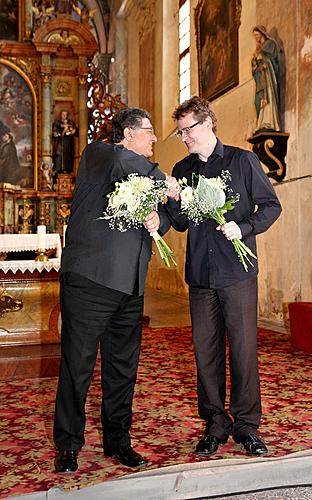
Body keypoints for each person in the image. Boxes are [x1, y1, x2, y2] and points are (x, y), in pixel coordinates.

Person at [53, 107, 179, 473]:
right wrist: (166, 181)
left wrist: (161, 218)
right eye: (149, 131)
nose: (155, 138)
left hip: (130, 284)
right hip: (91, 281)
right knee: (77, 366)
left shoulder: (137, 168)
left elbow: (165, 216)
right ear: (126, 134)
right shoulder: (100, 154)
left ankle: (118, 440)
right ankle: (68, 443)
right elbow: (130, 167)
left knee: (123, 368)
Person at [166, 96, 282, 457]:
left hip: (237, 272)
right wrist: (171, 200)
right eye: (180, 132)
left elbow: (271, 206)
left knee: (244, 351)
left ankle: (247, 427)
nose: (185, 138)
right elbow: (183, 223)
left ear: (208, 123)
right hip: (200, 275)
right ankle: (215, 424)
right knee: (206, 354)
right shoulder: (183, 169)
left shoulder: (242, 161)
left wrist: (243, 227)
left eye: (189, 130)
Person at [252, 25, 281, 133]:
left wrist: (262, 59)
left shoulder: (270, 44)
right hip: (261, 77)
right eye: (255, 36)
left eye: (257, 35)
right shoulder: (258, 48)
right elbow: (255, 65)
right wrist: (254, 64)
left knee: (268, 96)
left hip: (268, 77)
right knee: (258, 100)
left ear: (262, 33)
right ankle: (261, 123)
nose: (256, 38)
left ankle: (270, 122)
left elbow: (272, 60)